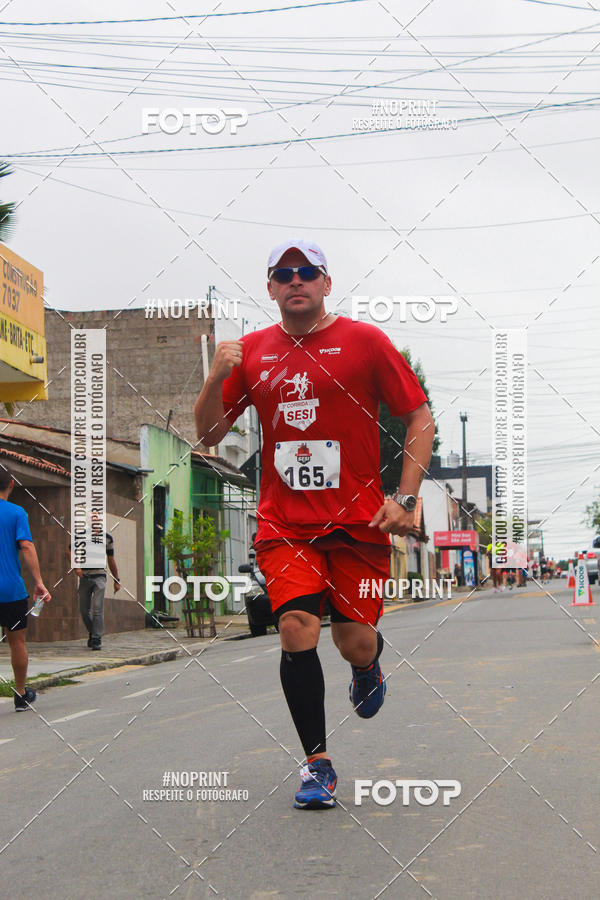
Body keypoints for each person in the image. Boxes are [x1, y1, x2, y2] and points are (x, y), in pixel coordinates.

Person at [194, 239, 434, 810]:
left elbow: (418, 414)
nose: (295, 280)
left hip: (358, 522)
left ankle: (369, 665)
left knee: (353, 642)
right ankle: (317, 763)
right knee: (296, 627)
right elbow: (207, 436)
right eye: (284, 273)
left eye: (307, 272)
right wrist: (213, 380)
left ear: (326, 283)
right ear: (271, 287)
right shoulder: (249, 352)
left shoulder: (365, 342)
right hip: (285, 524)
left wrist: (405, 495)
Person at [0, 467, 51, 711]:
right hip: (11, 591)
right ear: (11, 484)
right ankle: (21, 694)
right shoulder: (17, 513)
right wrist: (39, 581)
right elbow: (27, 547)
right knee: (17, 642)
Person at [67, 515, 120, 650]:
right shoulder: (81, 536)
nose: (95, 521)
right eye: (92, 519)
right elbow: (69, 551)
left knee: (97, 608)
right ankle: (93, 631)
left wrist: (116, 579)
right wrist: (76, 566)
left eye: (97, 519)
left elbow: (111, 560)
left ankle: (96, 639)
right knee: (84, 610)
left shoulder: (107, 538)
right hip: (84, 576)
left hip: (100, 577)